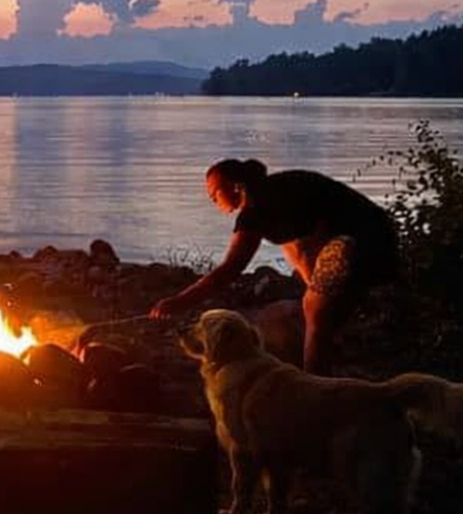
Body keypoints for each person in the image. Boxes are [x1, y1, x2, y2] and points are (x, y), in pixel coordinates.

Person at [150, 158, 400, 373]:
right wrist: (316, 290)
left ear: (236, 187)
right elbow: (303, 247)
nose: (213, 201)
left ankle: (314, 385)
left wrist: (178, 302)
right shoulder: (276, 194)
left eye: (214, 194)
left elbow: (228, 271)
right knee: (312, 301)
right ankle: (331, 353)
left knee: (314, 311)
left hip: (361, 239)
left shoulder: (256, 209)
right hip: (379, 232)